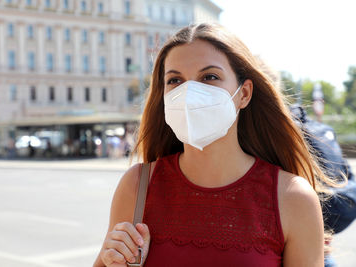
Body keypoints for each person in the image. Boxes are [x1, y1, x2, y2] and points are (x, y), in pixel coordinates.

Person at [93, 23, 339, 267]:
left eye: (209, 77)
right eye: (175, 80)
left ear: (244, 94)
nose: (189, 91)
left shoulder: (293, 198)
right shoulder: (136, 186)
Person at [290, 104, 356, 267]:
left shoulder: (279, 129)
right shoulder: (320, 129)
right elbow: (345, 171)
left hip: (302, 223)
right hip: (333, 209)